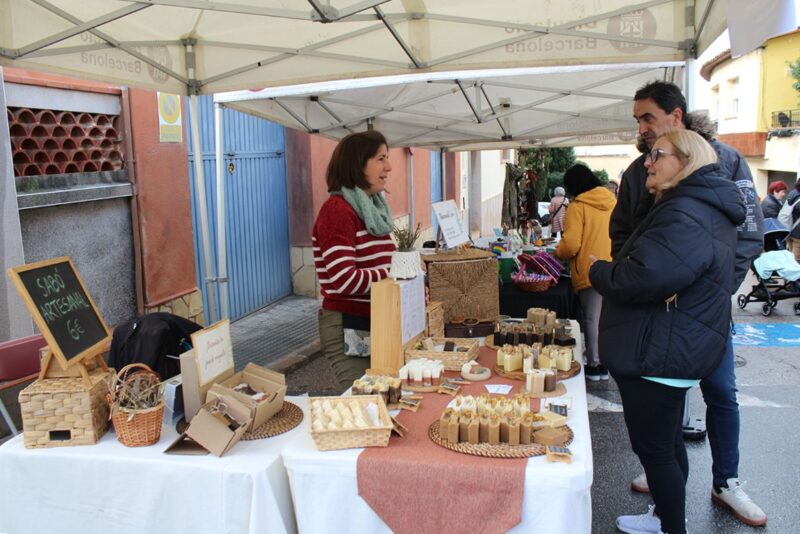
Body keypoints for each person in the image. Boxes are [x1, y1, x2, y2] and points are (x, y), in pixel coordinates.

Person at [610, 80, 767, 528]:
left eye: (647, 118)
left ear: (675, 116)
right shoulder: (638, 170)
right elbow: (623, 233)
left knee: (721, 393)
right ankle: (665, 496)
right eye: (638, 120)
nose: (641, 127)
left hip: (704, 314)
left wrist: (709, 290)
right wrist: (633, 277)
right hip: (651, 315)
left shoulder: (727, 160)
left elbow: (748, 234)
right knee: (663, 408)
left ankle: (727, 480)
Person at [591, 129, 746, 534]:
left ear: (685, 159)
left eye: (657, 154)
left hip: (658, 349)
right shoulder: (694, 205)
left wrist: (598, 271)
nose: (647, 161)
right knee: (666, 444)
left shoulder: (687, 210)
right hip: (668, 344)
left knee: (655, 449)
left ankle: (670, 526)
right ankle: (663, 518)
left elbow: (644, 276)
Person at [312, 130, 396, 389]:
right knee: (364, 403)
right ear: (358, 164)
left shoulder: (371, 209)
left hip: (376, 323)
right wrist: (394, 273)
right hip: (349, 326)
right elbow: (345, 280)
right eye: (381, 159)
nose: (389, 167)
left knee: (383, 401)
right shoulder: (338, 211)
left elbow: (379, 266)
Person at [554, 165, 615, 381]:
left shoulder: (578, 207)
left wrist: (557, 253)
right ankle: (605, 363)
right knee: (608, 319)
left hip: (590, 270)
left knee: (592, 318)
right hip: (614, 268)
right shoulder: (611, 201)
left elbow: (570, 244)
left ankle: (595, 365)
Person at [785, 179, 800, 262]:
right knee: (796, 260)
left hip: (789, 230)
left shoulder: (792, 193)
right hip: (798, 235)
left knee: (791, 258)